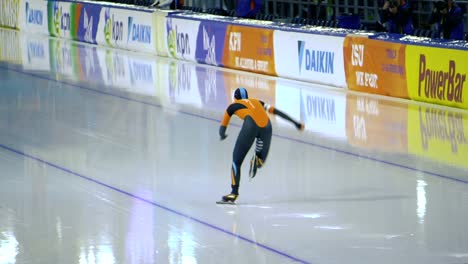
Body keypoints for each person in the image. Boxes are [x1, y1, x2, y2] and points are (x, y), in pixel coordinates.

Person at [218, 88, 304, 203]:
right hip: (267, 127)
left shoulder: (232, 106)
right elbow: (275, 111)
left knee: (236, 161)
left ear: (235, 98)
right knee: (260, 163)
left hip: (250, 126)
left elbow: (222, 128)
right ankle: (257, 160)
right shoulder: (258, 101)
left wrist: (222, 135)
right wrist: (296, 123)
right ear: (247, 97)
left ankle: (234, 192)